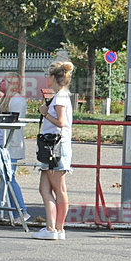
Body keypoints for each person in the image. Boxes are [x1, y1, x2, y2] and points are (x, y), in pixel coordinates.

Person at [33, 61, 74, 240]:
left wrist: (45, 113)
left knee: (59, 187)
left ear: (53, 77)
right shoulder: (62, 96)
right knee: (45, 187)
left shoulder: (60, 98)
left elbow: (61, 122)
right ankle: (52, 227)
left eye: (48, 76)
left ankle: (57, 227)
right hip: (53, 146)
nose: (46, 79)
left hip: (56, 146)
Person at [0, 72, 30, 223]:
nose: (0, 83)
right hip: (2, 145)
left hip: (11, 146)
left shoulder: (16, 101)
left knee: (9, 177)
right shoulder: (4, 100)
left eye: (3, 80)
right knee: (7, 178)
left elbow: (12, 123)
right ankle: (14, 211)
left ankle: (21, 210)